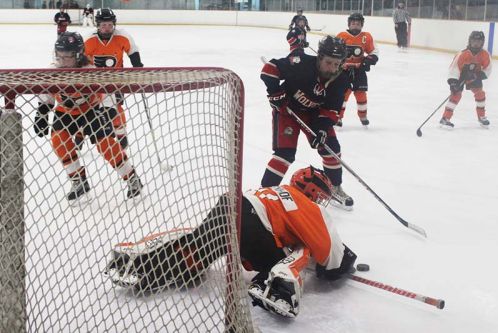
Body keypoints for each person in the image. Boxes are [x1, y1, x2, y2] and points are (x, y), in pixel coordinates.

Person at [105, 166, 357, 318]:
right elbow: (326, 250)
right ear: (313, 192)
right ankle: (277, 281)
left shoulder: (272, 190)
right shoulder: (307, 204)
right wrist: (341, 263)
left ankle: (141, 259)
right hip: (255, 226)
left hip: (230, 205)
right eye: (321, 196)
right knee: (304, 249)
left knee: (197, 246)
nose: (321, 202)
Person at [33, 32, 143, 201]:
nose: (62, 61)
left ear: (78, 55)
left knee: (105, 144)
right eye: (59, 56)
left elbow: (107, 92)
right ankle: (78, 181)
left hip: (92, 110)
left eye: (67, 57)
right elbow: (46, 95)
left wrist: (108, 111)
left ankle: (132, 178)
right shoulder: (52, 71)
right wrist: (41, 113)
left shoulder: (90, 71)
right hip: (65, 112)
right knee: (58, 141)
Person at [260, 36, 353, 209]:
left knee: (331, 150)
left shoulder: (341, 79)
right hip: (288, 111)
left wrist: (322, 129)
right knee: (284, 154)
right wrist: (275, 92)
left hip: (315, 115)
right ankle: (264, 193)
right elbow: (269, 70)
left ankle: (335, 186)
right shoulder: (300, 62)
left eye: (337, 64)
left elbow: (331, 110)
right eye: (329, 62)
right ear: (319, 57)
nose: (332, 68)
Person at [81, 8, 144, 150]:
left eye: (110, 25)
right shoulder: (88, 39)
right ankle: (80, 135)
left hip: (116, 79)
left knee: (117, 107)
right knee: (87, 108)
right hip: (93, 81)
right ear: (97, 25)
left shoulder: (122, 36)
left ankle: (121, 134)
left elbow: (132, 50)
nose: (107, 28)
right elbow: (80, 59)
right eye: (103, 25)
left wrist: (137, 65)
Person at [439, 31, 492, 129]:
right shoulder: (462, 54)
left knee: (480, 94)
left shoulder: (485, 54)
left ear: (482, 42)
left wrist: (478, 76)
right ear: (469, 41)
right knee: (456, 95)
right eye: (474, 41)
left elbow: (488, 69)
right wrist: (453, 83)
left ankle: (481, 117)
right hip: (460, 77)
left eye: (479, 41)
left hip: (475, 77)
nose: (476, 43)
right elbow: (453, 69)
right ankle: (445, 118)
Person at [336, 13, 379, 127]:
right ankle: (338, 117)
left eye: (358, 23)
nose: (355, 25)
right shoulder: (341, 35)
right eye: (353, 23)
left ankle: (363, 115)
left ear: (362, 25)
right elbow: (334, 52)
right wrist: (338, 63)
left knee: (361, 94)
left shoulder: (366, 36)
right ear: (349, 24)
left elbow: (374, 52)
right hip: (343, 71)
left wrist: (367, 61)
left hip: (359, 71)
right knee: (343, 95)